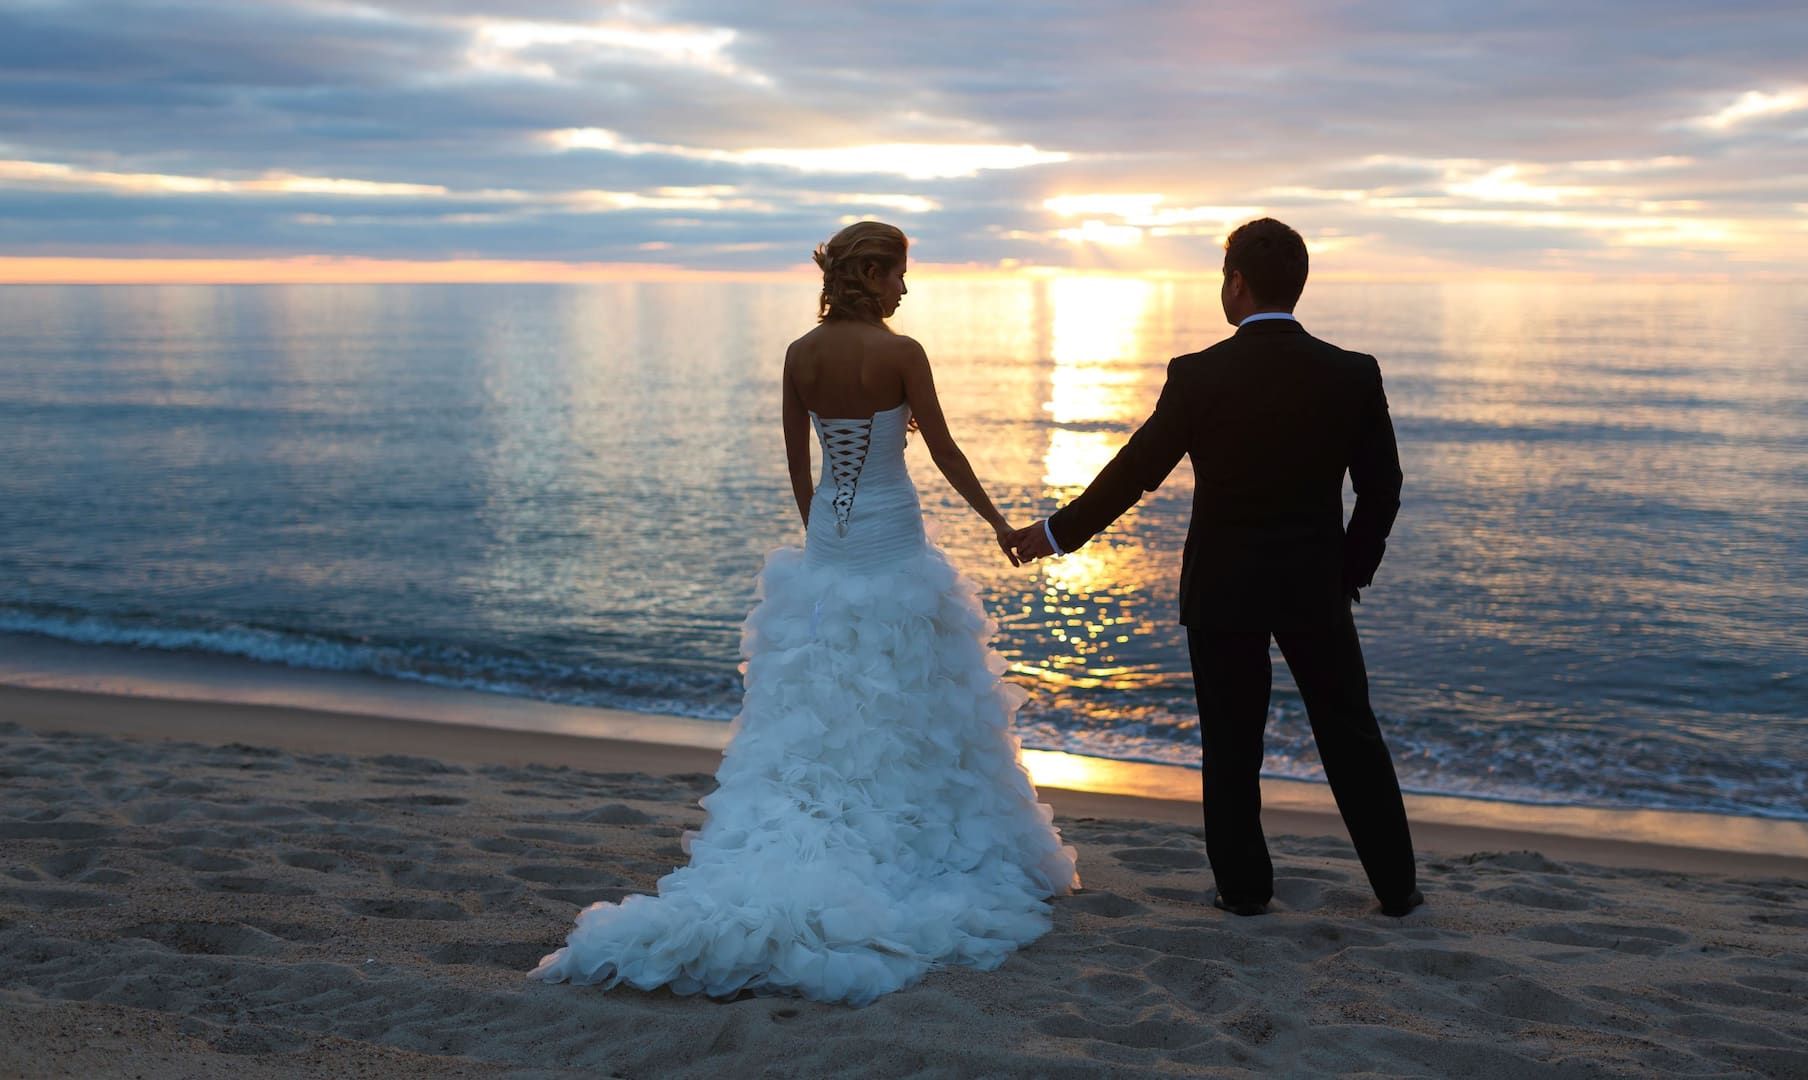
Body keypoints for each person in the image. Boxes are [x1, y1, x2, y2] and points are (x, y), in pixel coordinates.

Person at [529, 221, 1078, 1007]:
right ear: (874, 273)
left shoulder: (799, 353)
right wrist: (997, 524)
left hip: (830, 534)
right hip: (891, 532)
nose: (904, 290)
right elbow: (946, 453)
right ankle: (907, 825)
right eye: (898, 276)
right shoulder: (902, 353)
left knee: (826, 684)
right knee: (909, 680)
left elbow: (799, 460)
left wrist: (821, 532)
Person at [1009, 218, 1422, 918]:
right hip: (1313, 584)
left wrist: (1057, 533)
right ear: (1298, 284)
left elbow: (1136, 472)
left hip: (1222, 586)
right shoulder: (1352, 372)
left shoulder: (1199, 375)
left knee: (1231, 743)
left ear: (1235, 284)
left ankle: (1243, 890)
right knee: (1349, 732)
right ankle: (1396, 888)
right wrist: (1348, 569)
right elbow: (1383, 487)